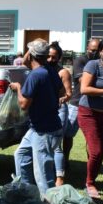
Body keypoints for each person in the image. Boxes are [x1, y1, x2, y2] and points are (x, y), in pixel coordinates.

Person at [10, 40, 64, 194]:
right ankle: (27, 193)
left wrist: (19, 88)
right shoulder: (49, 71)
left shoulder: (35, 75)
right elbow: (60, 92)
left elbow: (23, 105)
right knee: (20, 155)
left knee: (43, 176)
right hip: (41, 127)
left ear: (32, 55)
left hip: (44, 131)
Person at [78, 37, 103, 199]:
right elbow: (84, 89)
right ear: (100, 52)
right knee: (95, 150)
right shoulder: (92, 65)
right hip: (89, 113)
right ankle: (89, 183)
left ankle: (92, 179)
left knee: (101, 151)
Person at [63, 38, 100, 170]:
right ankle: (65, 160)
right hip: (77, 102)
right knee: (68, 134)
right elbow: (82, 80)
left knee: (91, 137)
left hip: (93, 103)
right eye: (92, 50)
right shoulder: (80, 61)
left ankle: (91, 164)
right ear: (87, 49)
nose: (95, 53)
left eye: (97, 50)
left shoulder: (101, 63)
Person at [46, 41, 72, 186]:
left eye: (54, 57)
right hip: (46, 110)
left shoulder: (63, 72)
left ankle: (59, 177)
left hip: (59, 109)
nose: (50, 59)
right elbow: (26, 61)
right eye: (48, 56)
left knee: (56, 144)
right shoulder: (43, 70)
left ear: (59, 58)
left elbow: (69, 93)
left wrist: (61, 98)